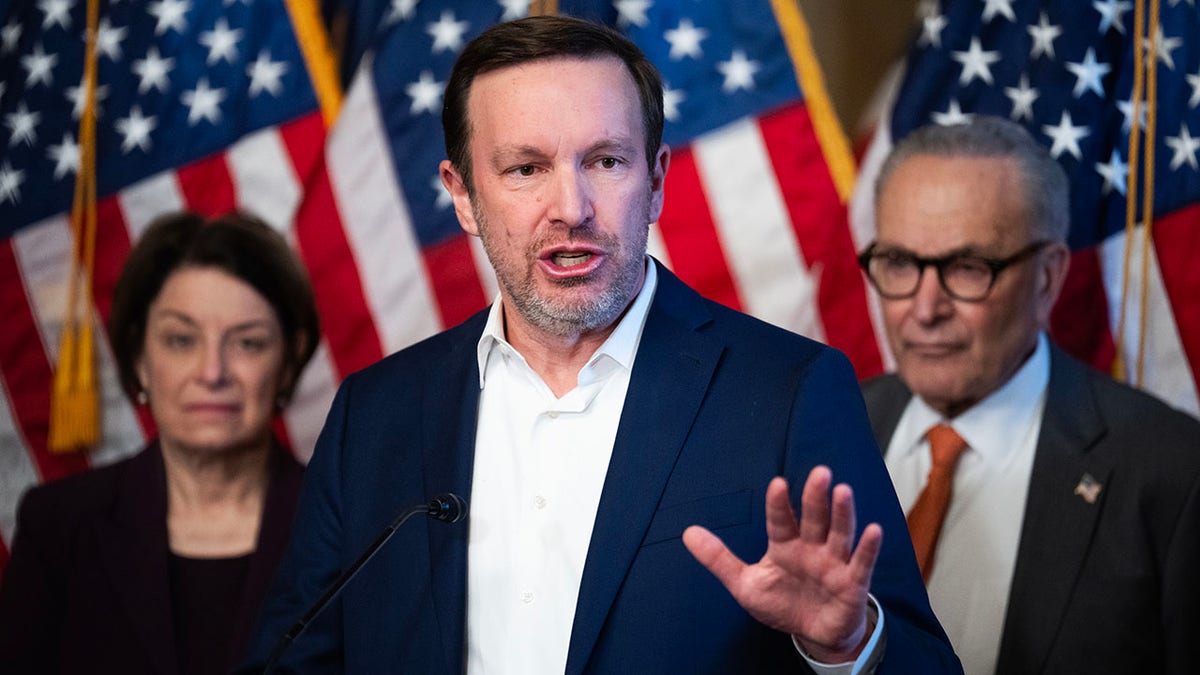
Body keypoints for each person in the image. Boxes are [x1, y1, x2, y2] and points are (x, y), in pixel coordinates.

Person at [242, 16, 959, 674]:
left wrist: (847, 642)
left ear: (655, 181)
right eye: (526, 168)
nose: (572, 207)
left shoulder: (789, 391)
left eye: (607, 162)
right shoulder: (375, 416)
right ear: (462, 196)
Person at [859, 116, 1200, 675]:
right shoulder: (818, 427)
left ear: (1047, 277)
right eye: (899, 263)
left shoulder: (1172, 473)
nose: (924, 310)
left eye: (966, 268)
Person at [0, 211, 321, 674]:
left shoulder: (348, 529)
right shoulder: (59, 526)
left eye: (247, 343)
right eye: (180, 340)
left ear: (289, 362)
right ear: (140, 358)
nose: (212, 373)